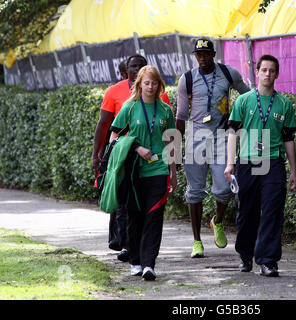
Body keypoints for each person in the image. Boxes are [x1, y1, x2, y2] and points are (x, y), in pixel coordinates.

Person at [224, 54, 296, 277]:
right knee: (247, 212)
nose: (267, 74)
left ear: (276, 74)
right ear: (257, 72)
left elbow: (289, 139)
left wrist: (294, 170)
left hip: (273, 162)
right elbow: (232, 134)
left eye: (272, 70)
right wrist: (230, 164)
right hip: (247, 161)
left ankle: (268, 260)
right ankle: (245, 254)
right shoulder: (243, 101)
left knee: (273, 211)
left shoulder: (284, 104)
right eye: (264, 70)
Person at [176, 38, 250, 258]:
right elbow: (180, 115)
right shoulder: (187, 79)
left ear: (214, 54)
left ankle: (217, 221)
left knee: (225, 188)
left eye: (207, 54)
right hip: (195, 137)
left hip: (221, 137)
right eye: (199, 55)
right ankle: (197, 241)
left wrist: (237, 120)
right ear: (195, 56)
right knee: (195, 191)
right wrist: (176, 149)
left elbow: (248, 97)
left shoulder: (229, 74)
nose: (203, 58)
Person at [109, 65, 177, 280]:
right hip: (133, 172)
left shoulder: (166, 110)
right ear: (139, 84)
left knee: (154, 217)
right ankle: (136, 261)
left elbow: (171, 143)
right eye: (146, 82)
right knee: (135, 217)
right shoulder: (129, 108)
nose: (150, 86)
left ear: (159, 85)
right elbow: (113, 138)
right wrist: (137, 147)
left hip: (158, 170)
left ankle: (149, 264)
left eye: (154, 83)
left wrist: (173, 172)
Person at [92, 54, 148, 262]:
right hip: (121, 155)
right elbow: (103, 123)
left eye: (142, 65)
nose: (138, 69)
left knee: (143, 200)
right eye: (134, 66)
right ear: (127, 70)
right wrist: (96, 153)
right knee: (124, 200)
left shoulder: (157, 91)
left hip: (148, 156)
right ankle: (125, 244)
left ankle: (140, 242)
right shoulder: (114, 92)